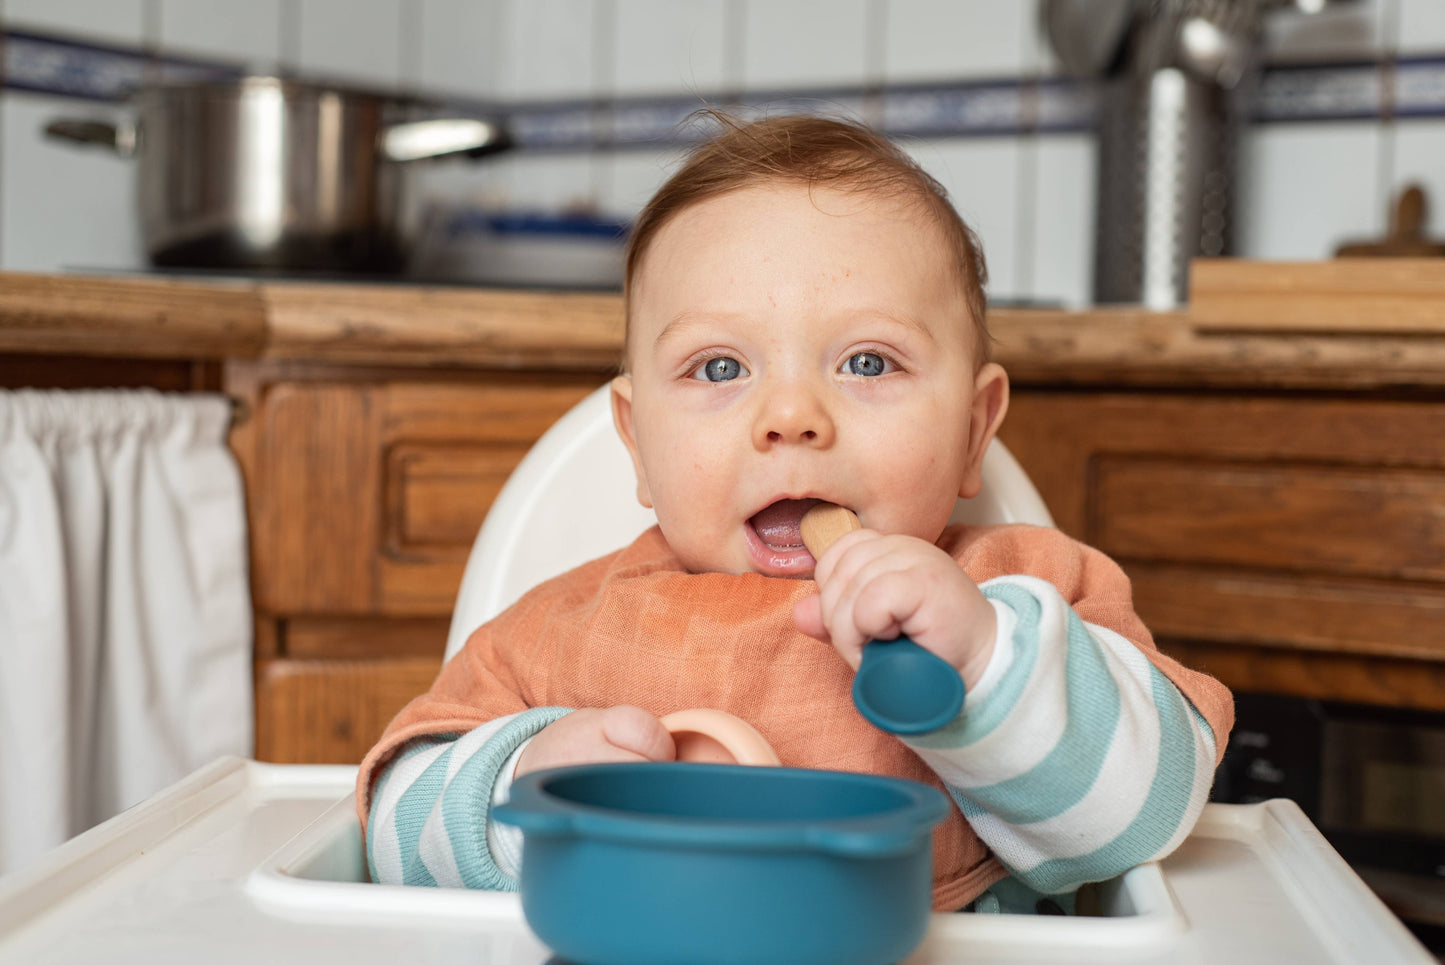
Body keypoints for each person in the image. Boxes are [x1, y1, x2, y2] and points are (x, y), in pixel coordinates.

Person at [356, 113, 1234, 914]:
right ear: (638, 444)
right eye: (718, 368)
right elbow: (388, 829)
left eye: (865, 361)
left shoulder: (1022, 590)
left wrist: (984, 664)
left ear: (972, 432)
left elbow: (1147, 813)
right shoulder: (557, 631)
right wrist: (527, 796)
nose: (790, 415)